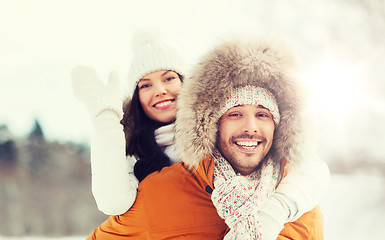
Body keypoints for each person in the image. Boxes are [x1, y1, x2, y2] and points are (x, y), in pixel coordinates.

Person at [86, 36, 328, 240]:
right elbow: (115, 204)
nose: (250, 127)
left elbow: (311, 168)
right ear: (214, 122)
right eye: (235, 114)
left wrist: (275, 211)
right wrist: (106, 120)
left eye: (169, 78)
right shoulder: (150, 175)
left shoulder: (297, 196)